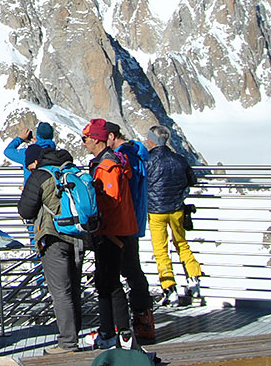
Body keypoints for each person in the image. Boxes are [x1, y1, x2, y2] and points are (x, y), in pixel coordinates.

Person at [17, 143, 84, 355]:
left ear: (37, 162)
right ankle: (74, 335)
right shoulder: (70, 171)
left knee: (60, 292)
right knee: (74, 290)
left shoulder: (40, 176)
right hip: (78, 237)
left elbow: (26, 210)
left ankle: (67, 343)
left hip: (53, 238)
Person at [82, 118, 137, 351]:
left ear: (96, 139)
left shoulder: (107, 166)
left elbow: (110, 200)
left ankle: (121, 333)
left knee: (110, 282)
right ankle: (110, 330)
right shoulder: (109, 162)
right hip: (114, 229)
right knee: (105, 281)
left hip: (111, 230)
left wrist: (92, 204)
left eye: (85, 138)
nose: (84, 143)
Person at [104, 121, 154, 342]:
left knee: (129, 270)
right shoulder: (136, 153)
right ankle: (142, 319)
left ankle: (138, 322)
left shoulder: (127, 156)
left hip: (127, 223)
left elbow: (126, 192)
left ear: (112, 136)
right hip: (134, 221)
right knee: (132, 270)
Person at [143, 125, 203, 306]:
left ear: (152, 140)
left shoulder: (148, 161)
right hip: (177, 209)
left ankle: (169, 288)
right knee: (182, 244)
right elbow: (192, 180)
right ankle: (194, 279)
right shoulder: (179, 159)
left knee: (161, 251)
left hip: (156, 211)